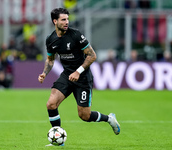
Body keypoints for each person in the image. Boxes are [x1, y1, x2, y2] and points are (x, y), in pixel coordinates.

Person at [38, 8, 120, 146]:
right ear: (55, 21)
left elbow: (92, 55)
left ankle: (109, 119)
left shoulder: (75, 35)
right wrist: (44, 73)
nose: (66, 22)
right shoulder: (50, 40)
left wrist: (78, 71)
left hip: (82, 77)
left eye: (67, 19)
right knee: (51, 104)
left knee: (84, 116)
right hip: (67, 75)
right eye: (63, 20)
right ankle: (58, 140)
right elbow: (51, 59)